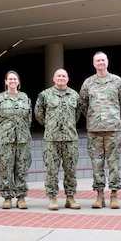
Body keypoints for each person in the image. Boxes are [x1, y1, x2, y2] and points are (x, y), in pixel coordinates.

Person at [79, 51, 121, 209]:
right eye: (97, 60)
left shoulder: (117, 81)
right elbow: (83, 105)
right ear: (94, 64)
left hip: (113, 130)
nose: (100, 63)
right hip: (94, 130)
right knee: (96, 164)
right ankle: (99, 195)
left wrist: (113, 117)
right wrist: (94, 117)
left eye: (103, 60)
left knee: (114, 164)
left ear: (107, 62)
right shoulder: (88, 83)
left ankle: (114, 195)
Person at [34, 68, 82, 211]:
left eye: (64, 76)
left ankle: (70, 198)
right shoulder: (45, 95)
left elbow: (77, 114)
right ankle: (53, 198)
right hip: (52, 139)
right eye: (58, 76)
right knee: (52, 170)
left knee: (71, 170)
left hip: (70, 139)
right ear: (54, 79)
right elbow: (39, 114)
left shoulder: (74, 95)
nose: (61, 78)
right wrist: (50, 125)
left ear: (68, 79)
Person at [0, 70, 32, 209]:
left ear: (18, 82)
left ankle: (21, 197)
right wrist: (1, 133)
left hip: (22, 139)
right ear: (6, 82)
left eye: (15, 79)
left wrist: (23, 131)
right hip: (5, 139)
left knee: (22, 168)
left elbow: (29, 119)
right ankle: (7, 197)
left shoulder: (25, 98)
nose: (13, 81)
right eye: (10, 79)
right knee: (5, 168)